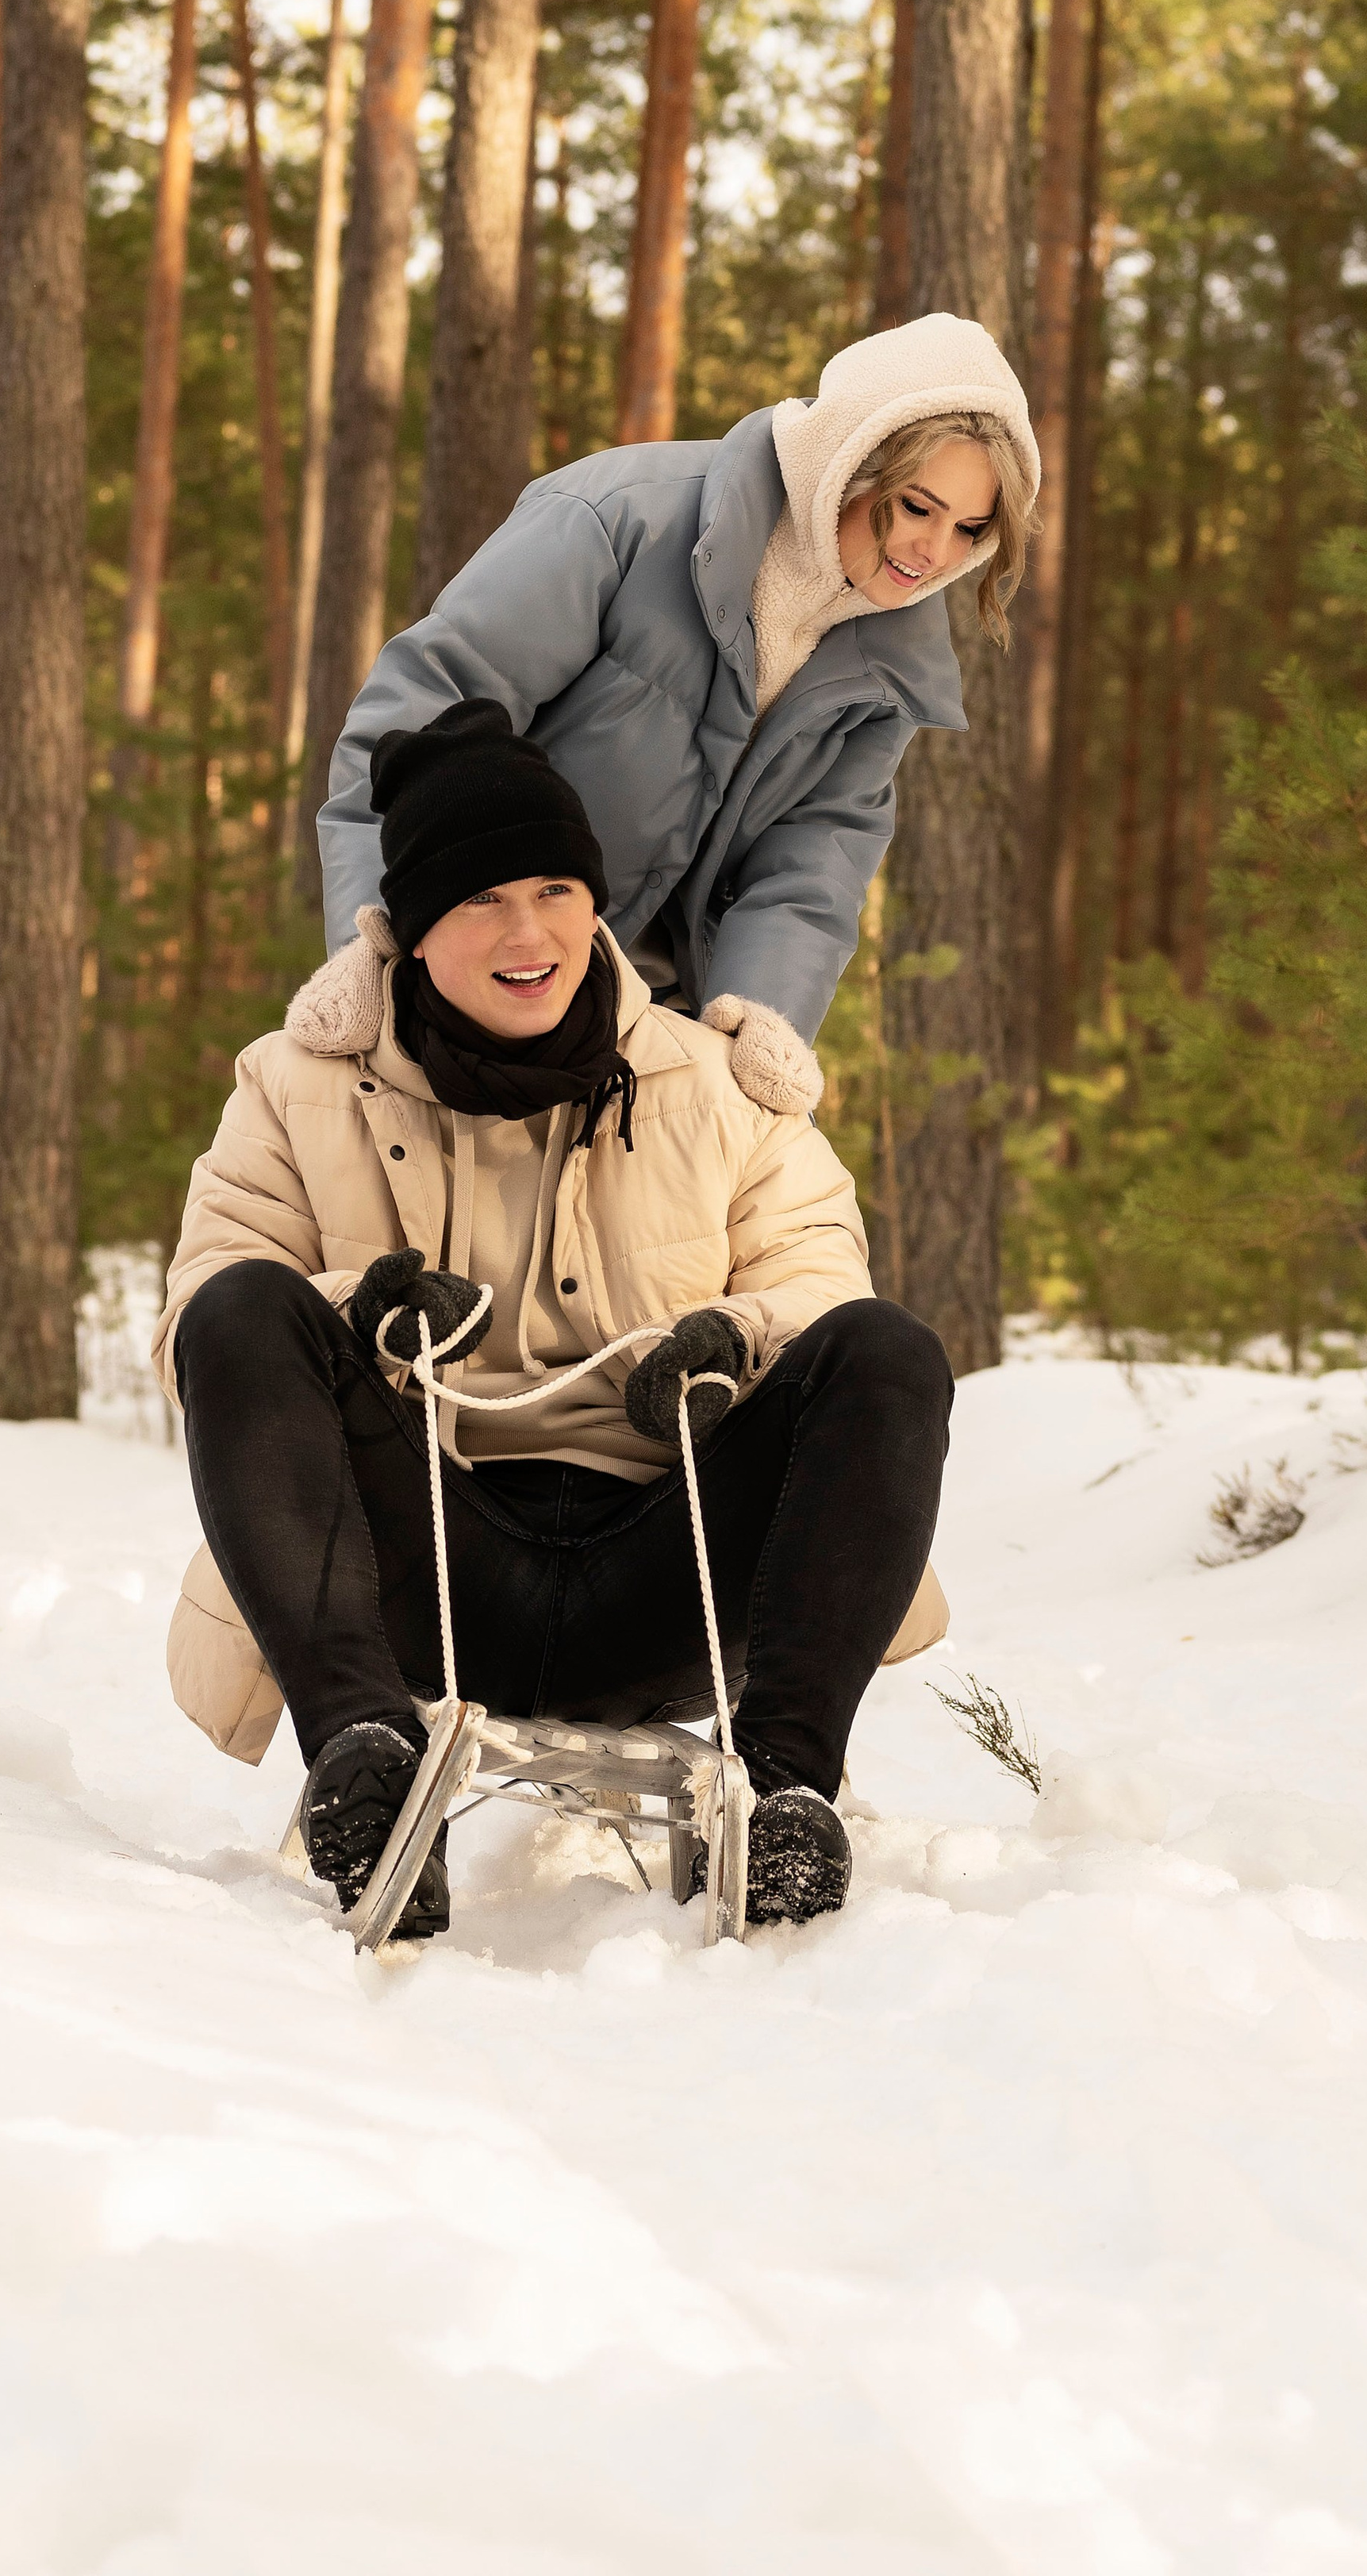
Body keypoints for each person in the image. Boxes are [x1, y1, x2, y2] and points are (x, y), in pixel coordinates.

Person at [156, 705, 954, 1939]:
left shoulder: (726, 1090)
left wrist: (738, 1335)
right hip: (423, 1565)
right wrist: (354, 1313)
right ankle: (362, 1763)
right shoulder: (293, 1087)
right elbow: (201, 1325)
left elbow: (820, 1286)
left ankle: (787, 1798)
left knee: (889, 1350)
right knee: (240, 1311)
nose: (527, 933)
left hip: (670, 1564)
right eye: (479, 900)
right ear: (410, 933)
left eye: (553, 888)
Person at [315, 313, 1039, 1090]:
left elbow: (811, 865)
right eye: (916, 507)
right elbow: (418, 721)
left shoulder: (893, 662)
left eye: (970, 529)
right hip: (480, 977)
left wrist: (757, 1018)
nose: (933, 554)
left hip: (653, 1029)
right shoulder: (622, 519)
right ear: (850, 460)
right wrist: (376, 942)